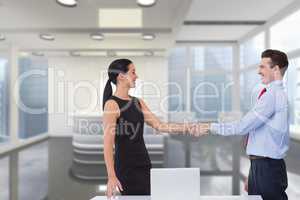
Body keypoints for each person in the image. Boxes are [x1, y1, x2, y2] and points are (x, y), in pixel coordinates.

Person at [102, 59, 208, 199]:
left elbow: (161, 126)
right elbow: (108, 144)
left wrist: (188, 127)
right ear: (121, 76)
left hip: (144, 163)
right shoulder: (111, 104)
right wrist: (111, 176)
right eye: (133, 72)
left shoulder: (137, 102)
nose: (136, 76)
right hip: (127, 168)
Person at [196, 49, 289, 200]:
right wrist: (253, 173)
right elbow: (258, 134)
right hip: (261, 166)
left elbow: (242, 127)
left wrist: (209, 126)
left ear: (276, 69)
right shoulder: (271, 94)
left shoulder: (272, 96)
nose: (259, 71)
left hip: (267, 168)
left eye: (263, 67)